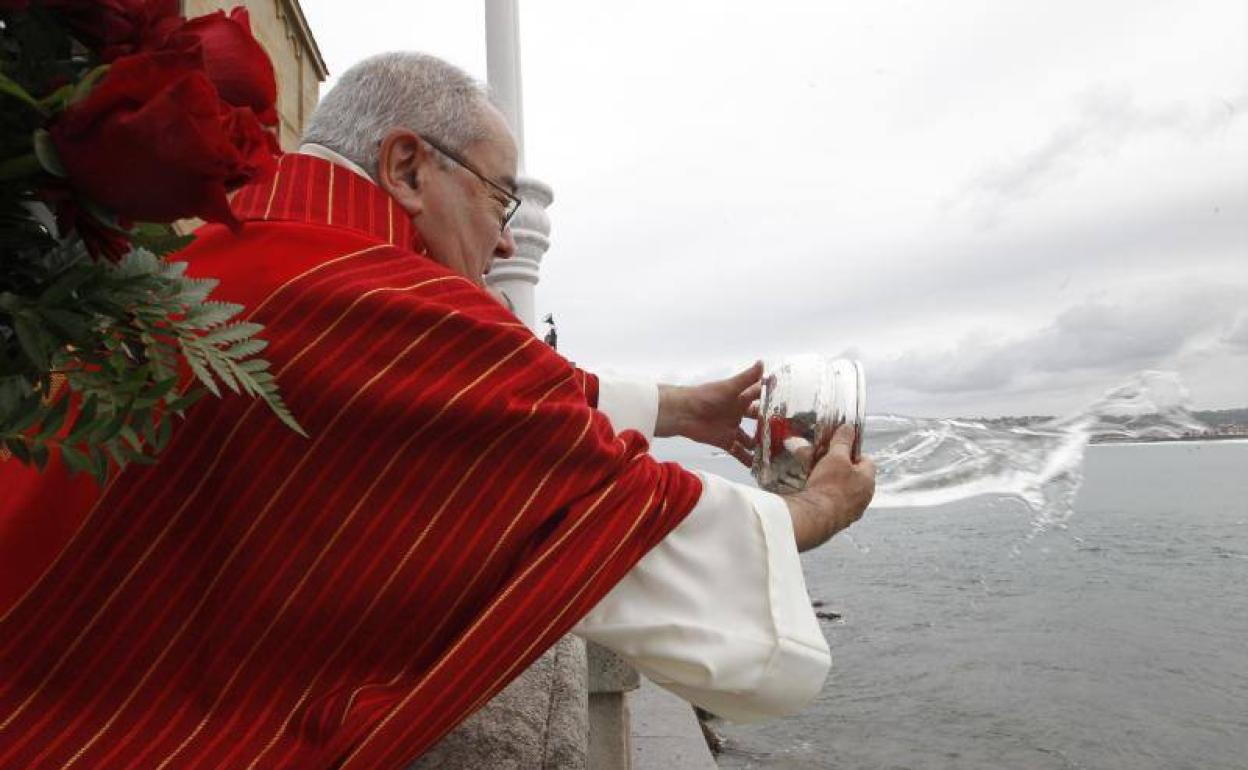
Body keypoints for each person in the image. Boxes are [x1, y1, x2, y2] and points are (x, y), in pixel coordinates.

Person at [0, 52, 875, 768]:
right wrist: (811, 510)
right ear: (408, 166)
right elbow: (600, 518)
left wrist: (680, 410)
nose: (506, 240)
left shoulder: (247, 250)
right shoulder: (383, 299)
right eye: (501, 198)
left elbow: (481, 408)